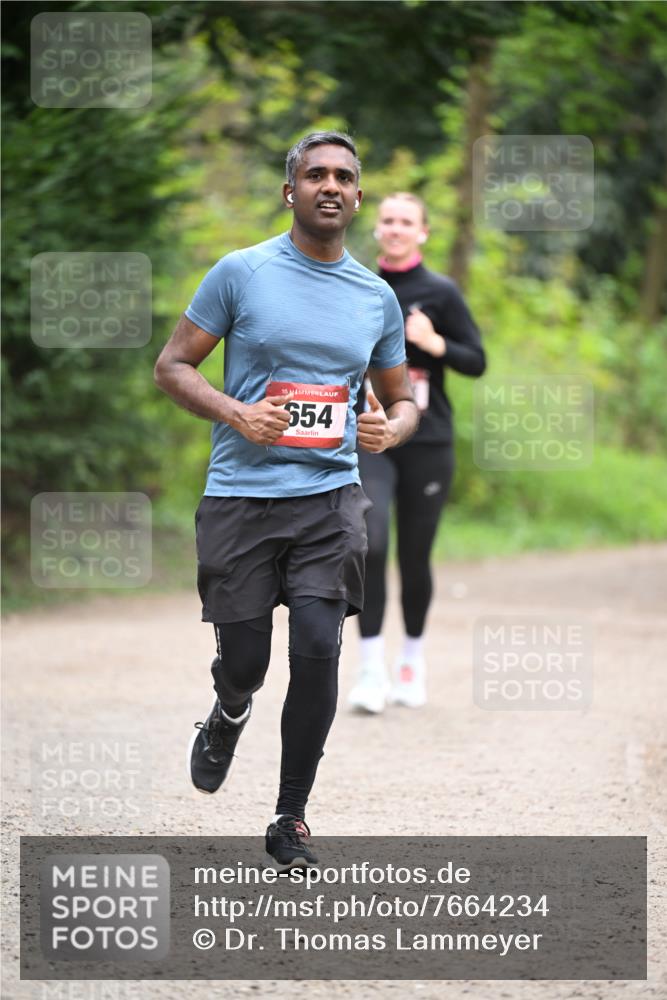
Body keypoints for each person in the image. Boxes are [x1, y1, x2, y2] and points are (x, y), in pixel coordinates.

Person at [154, 133, 419, 870]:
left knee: (318, 649)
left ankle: (289, 816)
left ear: (357, 196)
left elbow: (402, 401)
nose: (328, 186)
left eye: (343, 177)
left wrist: (389, 430)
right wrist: (234, 412)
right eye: (314, 175)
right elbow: (172, 366)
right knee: (245, 660)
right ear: (290, 190)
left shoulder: (375, 296)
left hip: (329, 500)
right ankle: (227, 710)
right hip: (241, 497)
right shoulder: (241, 274)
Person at [347, 192, 486, 714]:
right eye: (388, 220)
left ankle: (412, 662)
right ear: (376, 228)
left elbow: (476, 362)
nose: (397, 228)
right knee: (370, 543)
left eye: (407, 221)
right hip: (373, 436)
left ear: (423, 232)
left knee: (414, 557)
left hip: (428, 441)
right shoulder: (358, 285)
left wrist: (433, 343)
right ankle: (369, 670)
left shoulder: (441, 293)